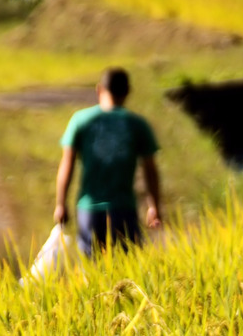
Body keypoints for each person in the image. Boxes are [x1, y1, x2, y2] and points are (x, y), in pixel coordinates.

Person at [54, 67, 162, 256]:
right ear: (128, 92)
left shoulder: (81, 120)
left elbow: (67, 165)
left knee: (92, 266)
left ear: (99, 89)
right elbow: (150, 170)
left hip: (89, 209)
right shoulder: (137, 124)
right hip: (124, 209)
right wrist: (154, 206)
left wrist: (61, 204)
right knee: (127, 266)